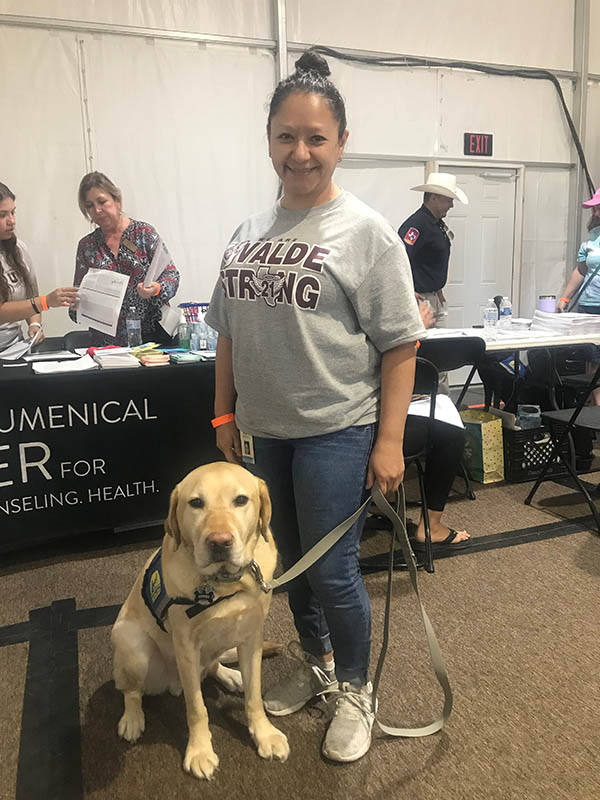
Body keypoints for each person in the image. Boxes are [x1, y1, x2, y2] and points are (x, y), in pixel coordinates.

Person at [205, 49, 424, 763]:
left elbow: (400, 345)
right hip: (265, 434)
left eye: (316, 138)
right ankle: (319, 666)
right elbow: (228, 334)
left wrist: (388, 442)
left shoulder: (366, 232)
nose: (300, 153)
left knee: (332, 572)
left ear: (340, 144)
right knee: (285, 562)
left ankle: (358, 688)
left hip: (338, 430)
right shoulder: (246, 233)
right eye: (286, 137)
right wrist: (223, 416)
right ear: (269, 139)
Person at [70, 172, 180, 347]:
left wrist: (157, 288)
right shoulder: (87, 246)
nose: (97, 210)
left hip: (151, 340)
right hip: (107, 346)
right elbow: (77, 297)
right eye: (90, 206)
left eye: (102, 201)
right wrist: (77, 304)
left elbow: (172, 275)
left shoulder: (144, 233)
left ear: (117, 200)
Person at [398, 173, 469, 391]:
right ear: (435, 197)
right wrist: (408, 291)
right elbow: (397, 260)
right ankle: (427, 404)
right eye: (448, 200)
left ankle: (441, 405)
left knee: (441, 356)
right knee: (426, 356)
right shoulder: (416, 225)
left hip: (433, 297)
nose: (451, 206)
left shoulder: (436, 225)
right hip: (420, 300)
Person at [0, 182, 77, 353]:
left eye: (13, 213)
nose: (11, 221)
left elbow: (30, 296)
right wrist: (45, 302)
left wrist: (34, 323)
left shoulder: (18, 249)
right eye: (2, 215)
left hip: (14, 348)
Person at [557, 188, 600, 403]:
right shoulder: (591, 239)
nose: (596, 212)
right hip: (590, 306)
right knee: (593, 359)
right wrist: (564, 298)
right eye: (595, 208)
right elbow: (581, 270)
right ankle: (596, 407)